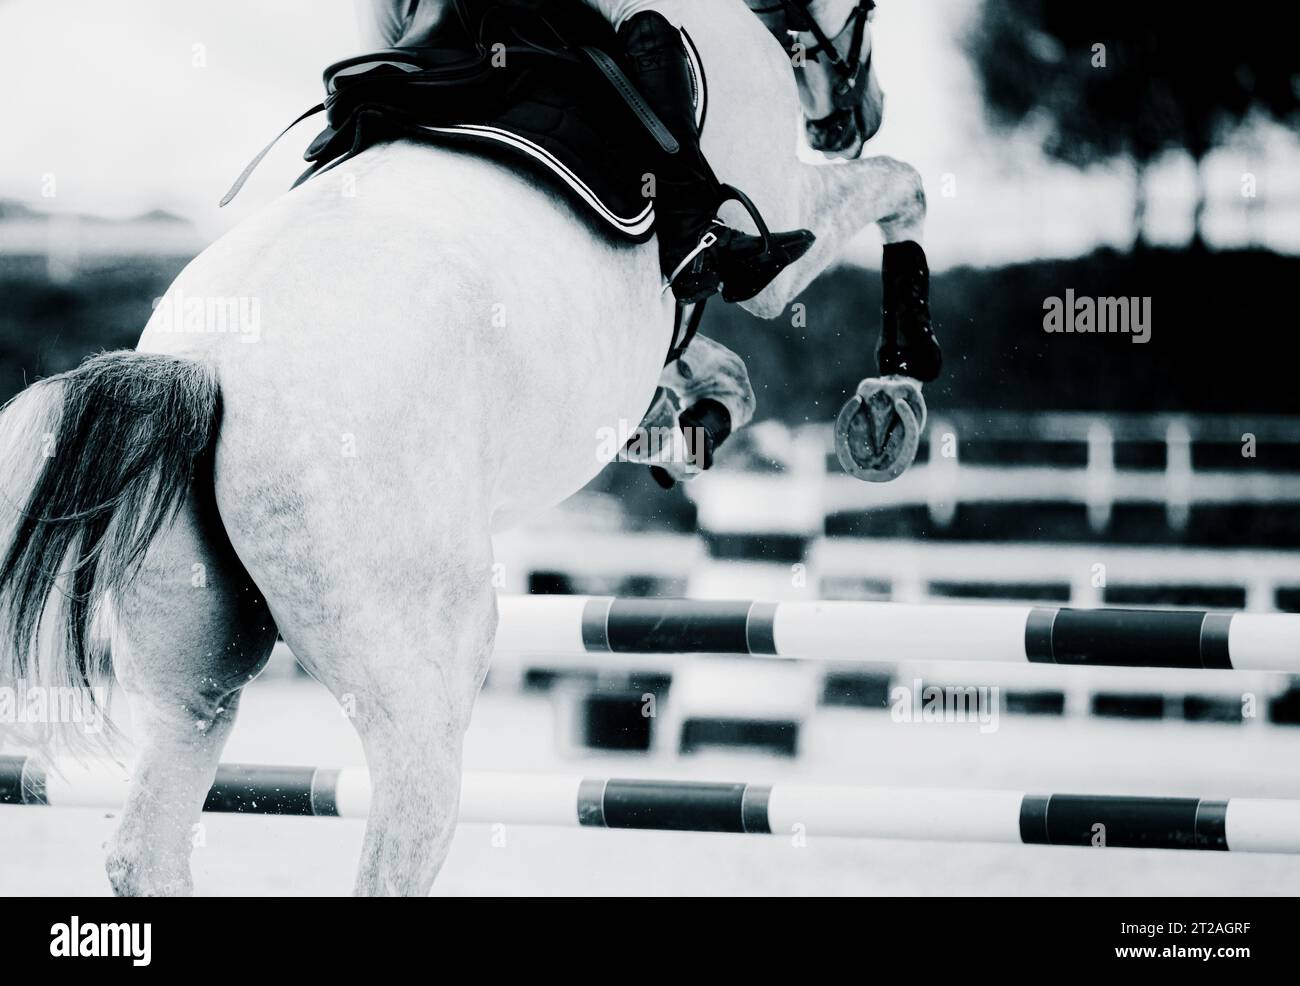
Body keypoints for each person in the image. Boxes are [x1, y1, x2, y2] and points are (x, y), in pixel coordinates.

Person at [354, 0, 814, 304]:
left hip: (421, 45)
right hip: (504, 17)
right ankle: (692, 235)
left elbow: (378, 44)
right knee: (645, 15)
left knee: (370, 79)